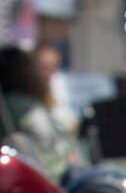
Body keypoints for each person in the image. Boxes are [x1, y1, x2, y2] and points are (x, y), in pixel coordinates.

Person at [0, 45, 88, 178]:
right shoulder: (26, 107)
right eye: (44, 68)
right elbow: (50, 145)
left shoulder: (9, 106)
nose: (49, 75)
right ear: (28, 73)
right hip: (54, 178)